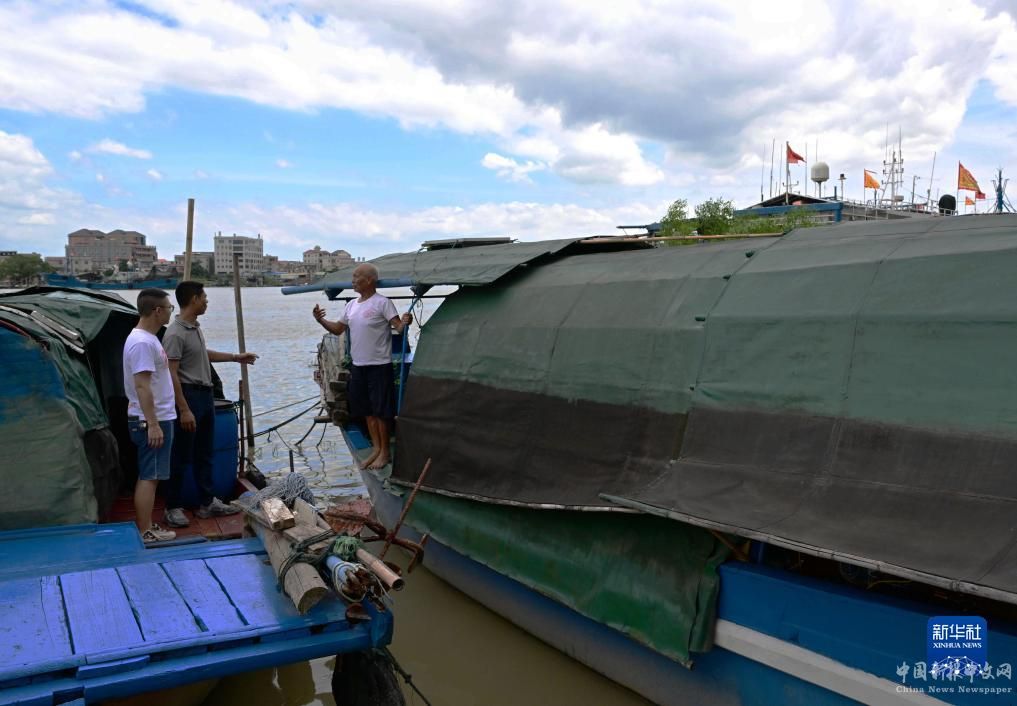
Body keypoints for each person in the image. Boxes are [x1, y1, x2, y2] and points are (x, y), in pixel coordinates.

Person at [162, 281, 258, 528]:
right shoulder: (175, 333)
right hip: (189, 396)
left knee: (205, 453)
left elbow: (202, 355)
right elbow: (171, 374)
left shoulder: (194, 328)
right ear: (193, 299)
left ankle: (207, 503)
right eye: (204, 297)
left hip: (205, 396)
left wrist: (236, 358)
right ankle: (173, 507)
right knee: (181, 455)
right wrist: (184, 409)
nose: (206, 301)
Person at [313, 263, 412, 469]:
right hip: (359, 366)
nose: (353, 280)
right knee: (367, 410)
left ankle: (385, 452)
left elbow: (399, 328)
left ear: (369, 280)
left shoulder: (383, 303)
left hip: (379, 366)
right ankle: (376, 448)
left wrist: (405, 321)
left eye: (356, 276)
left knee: (381, 411)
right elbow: (338, 329)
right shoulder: (351, 305)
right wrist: (321, 320)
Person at [123, 288, 177, 543]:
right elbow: (142, 386)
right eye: (169, 308)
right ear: (157, 311)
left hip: (156, 417)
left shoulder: (148, 339)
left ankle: (146, 525)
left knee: (151, 474)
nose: (170, 312)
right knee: (150, 476)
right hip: (151, 420)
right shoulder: (143, 343)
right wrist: (153, 424)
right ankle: (145, 530)